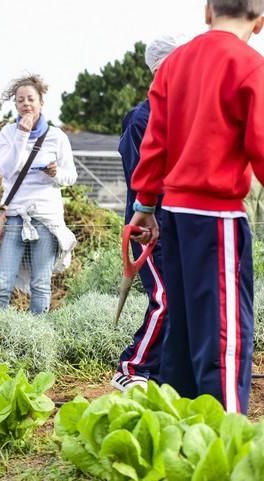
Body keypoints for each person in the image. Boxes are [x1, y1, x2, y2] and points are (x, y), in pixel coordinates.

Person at [130, 0, 264, 414]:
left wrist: (146, 203)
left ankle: (180, 432)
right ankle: (223, 442)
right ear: (260, 23)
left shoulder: (175, 63)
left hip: (174, 215)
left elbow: (155, 142)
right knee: (223, 334)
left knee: (184, 331)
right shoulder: (250, 65)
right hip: (218, 216)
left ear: (207, 12)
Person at [111, 37, 178, 393]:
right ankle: (131, 366)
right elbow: (139, 178)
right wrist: (148, 221)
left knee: (178, 299)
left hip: (179, 225)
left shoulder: (180, 114)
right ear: (160, 68)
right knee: (165, 297)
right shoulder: (141, 118)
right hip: (148, 229)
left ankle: (164, 372)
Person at [0, 74, 77, 314]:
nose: (25, 104)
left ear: (41, 102)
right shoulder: (8, 132)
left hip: (46, 217)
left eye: (30, 99)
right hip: (16, 215)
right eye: (20, 100)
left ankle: (37, 339)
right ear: (15, 105)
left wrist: (55, 173)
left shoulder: (57, 137)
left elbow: (71, 177)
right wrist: (22, 135)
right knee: (2, 284)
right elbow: (7, 170)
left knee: (41, 284)